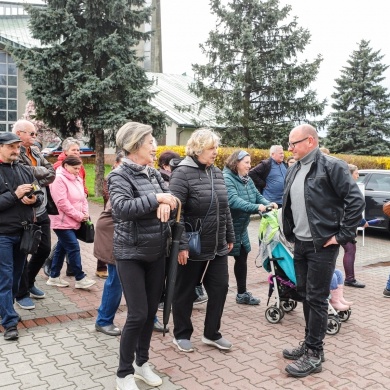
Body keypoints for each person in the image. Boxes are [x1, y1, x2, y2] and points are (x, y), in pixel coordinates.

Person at [281, 124, 365, 378]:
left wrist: (341, 235)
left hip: (322, 245)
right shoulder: (294, 167)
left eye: (293, 143)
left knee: (317, 298)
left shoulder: (332, 165)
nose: (290, 148)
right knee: (305, 294)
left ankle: (314, 354)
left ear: (310, 141)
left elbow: (355, 201)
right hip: (301, 243)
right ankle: (309, 344)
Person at [108, 122, 177, 390]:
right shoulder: (119, 175)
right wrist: (157, 199)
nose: (155, 146)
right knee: (137, 314)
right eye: (150, 142)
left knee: (150, 314)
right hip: (130, 254)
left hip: (156, 251)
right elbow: (122, 209)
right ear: (135, 144)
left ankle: (141, 363)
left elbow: (171, 197)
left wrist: (166, 201)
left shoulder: (151, 173)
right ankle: (123, 373)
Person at [169, 128, 235, 353]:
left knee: (220, 288)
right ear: (197, 149)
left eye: (216, 147)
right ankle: (181, 334)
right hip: (193, 244)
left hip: (217, 245)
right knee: (185, 290)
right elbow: (175, 213)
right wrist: (182, 244)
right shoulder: (182, 173)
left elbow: (224, 208)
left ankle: (211, 333)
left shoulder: (216, 172)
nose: (216, 152)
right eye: (211, 148)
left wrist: (229, 236)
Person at [0, 132, 42, 340]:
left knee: (16, 278)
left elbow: (39, 195)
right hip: (3, 235)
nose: (16, 151)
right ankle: (9, 322)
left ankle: (6, 308)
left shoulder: (25, 170)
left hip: (24, 233)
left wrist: (33, 199)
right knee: (5, 279)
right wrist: (14, 195)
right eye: (11, 147)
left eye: (18, 147)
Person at [223, 150, 277, 305]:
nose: (249, 165)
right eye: (246, 162)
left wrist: (267, 203)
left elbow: (256, 195)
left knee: (242, 257)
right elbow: (233, 201)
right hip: (227, 227)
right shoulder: (227, 178)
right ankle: (199, 288)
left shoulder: (247, 179)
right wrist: (257, 207)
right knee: (216, 261)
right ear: (236, 163)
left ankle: (242, 293)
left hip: (241, 227)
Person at [12, 120, 55, 310]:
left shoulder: (36, 151)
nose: (35, 137)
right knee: (22, 252)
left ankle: (28, 282)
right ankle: (21, 293)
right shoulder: (12, 152)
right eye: (32, 134)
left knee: (44, 249)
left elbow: (52, 173)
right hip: (24, 210)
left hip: (41, 207)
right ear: (20, 133)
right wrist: (40, 173)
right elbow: (23, 173)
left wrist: (39, 174)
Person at [46, 156, 96, 290]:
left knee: (62, 249)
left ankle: (53, 276)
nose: (77, 171)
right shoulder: (58, 179)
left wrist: (85, 213)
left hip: (75, 220)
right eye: (75, 168)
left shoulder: (77, 178)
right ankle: (80, 278)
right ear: (65, 165)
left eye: (79, 168)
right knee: (73, 247)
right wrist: (79, 216)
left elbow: (83, 198)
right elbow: (62, 203)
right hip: (61, 222)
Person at [94, 153, 124, 337]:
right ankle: (103, 320)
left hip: (124, 233)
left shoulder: (145, 174)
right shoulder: (117, 177)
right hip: (112, 232)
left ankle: (149, 318)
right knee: (116, 279)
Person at [343, 164, 367, 288]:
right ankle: (349, 279)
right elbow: (353, 207)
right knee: (350, 249)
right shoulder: (347, 187)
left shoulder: (343, 185)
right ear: (350, 173)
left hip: (343, 223)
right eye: (356, 173)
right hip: (344, 225)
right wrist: (362, 222)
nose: (358, 175)